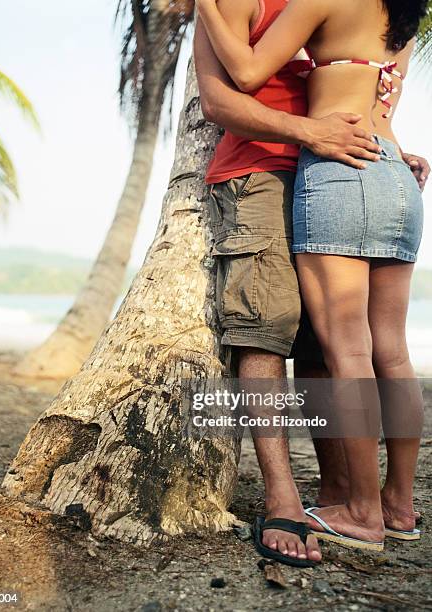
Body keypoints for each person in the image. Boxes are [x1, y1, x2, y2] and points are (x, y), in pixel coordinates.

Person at [195, 0, 428, 555]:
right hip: (382, 170)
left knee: (347, 350)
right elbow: (221, 97)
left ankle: (364, 511)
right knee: (388, 352)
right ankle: (393, 503)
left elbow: (249, 72)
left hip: (338, 176)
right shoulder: (403, 14)